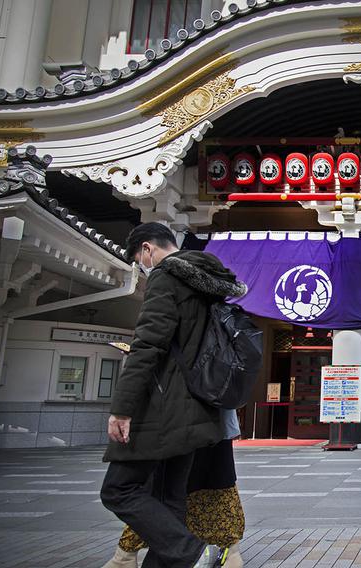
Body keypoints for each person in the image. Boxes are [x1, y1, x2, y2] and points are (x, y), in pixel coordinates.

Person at [99, 222, 248, 568]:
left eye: (139, 259)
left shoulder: (166, 277)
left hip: (164, 407)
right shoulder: (208, 284)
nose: (142, 266)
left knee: (118, 489)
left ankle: (196, 551)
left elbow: (148, 345)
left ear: (148, 249)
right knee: (169, 498)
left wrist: (122, 409)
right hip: (199, 407)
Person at [102, 410, 245, 568]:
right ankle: (221, 553)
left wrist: (123, 410)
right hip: (199, 423)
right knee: (169, 495)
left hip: (182, 421)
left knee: (143, 492)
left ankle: (199, 553)